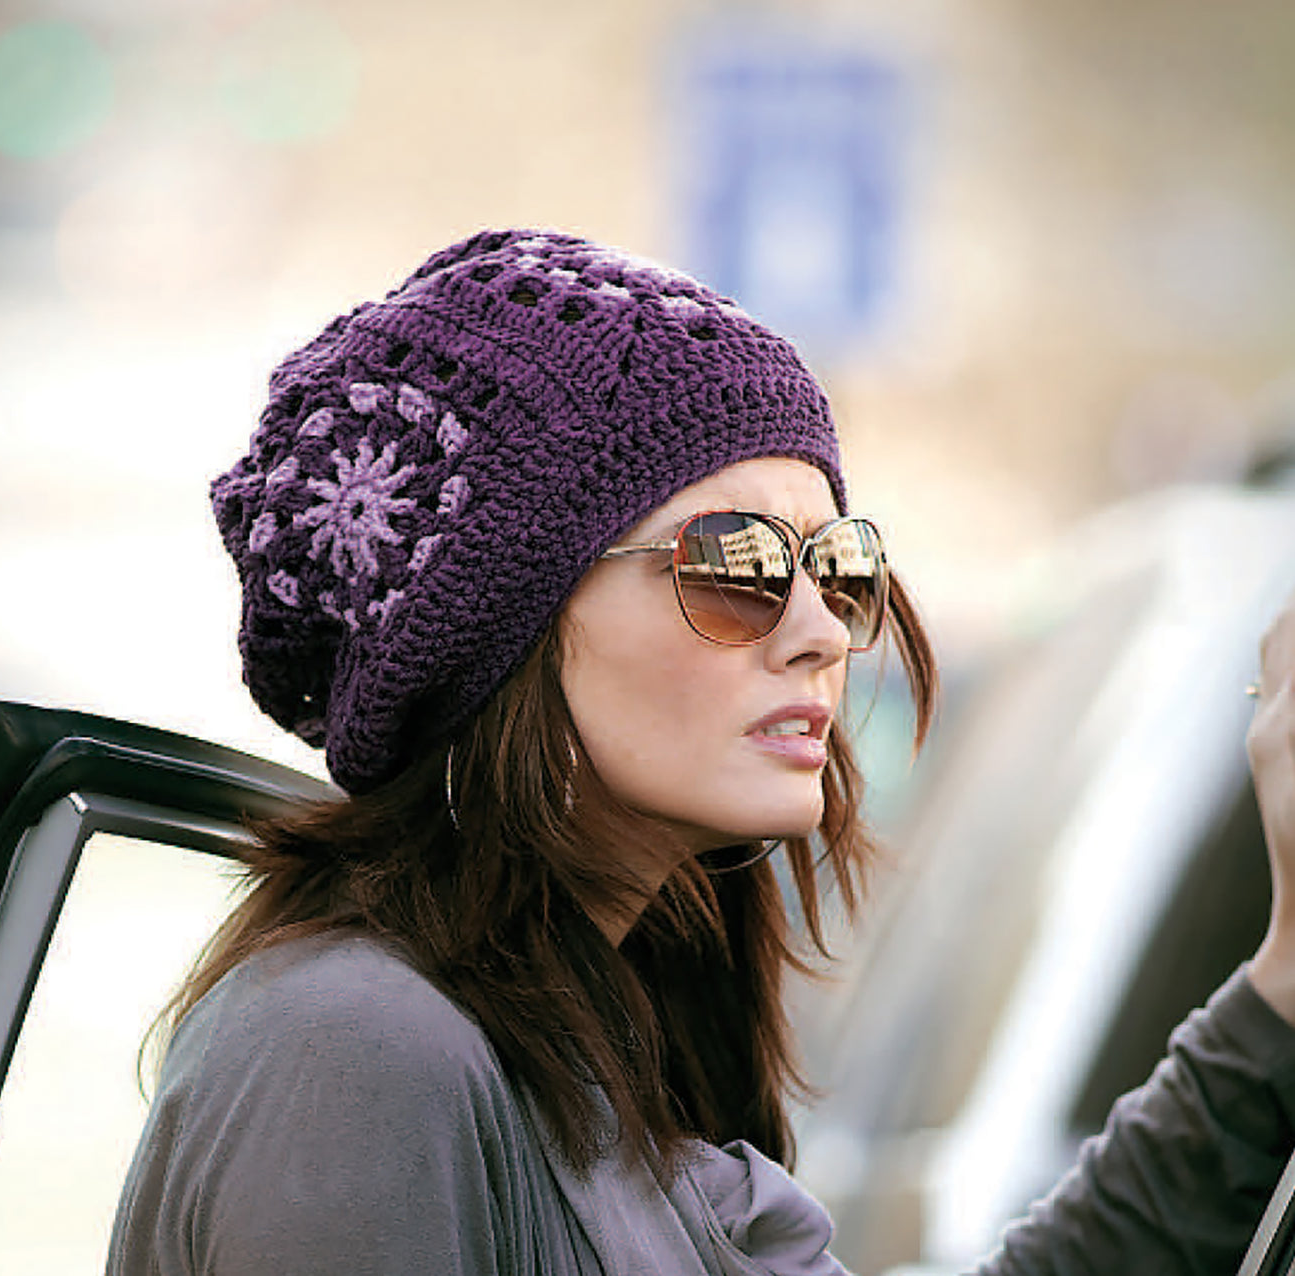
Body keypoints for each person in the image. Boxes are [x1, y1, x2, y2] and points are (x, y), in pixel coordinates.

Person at [106, 228, 1295, 1275]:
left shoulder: (611, 1066)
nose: (820, 630)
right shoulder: (353, 1045)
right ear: (502, 629)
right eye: (734, 563)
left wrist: (1280, 984)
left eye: (837, 566)